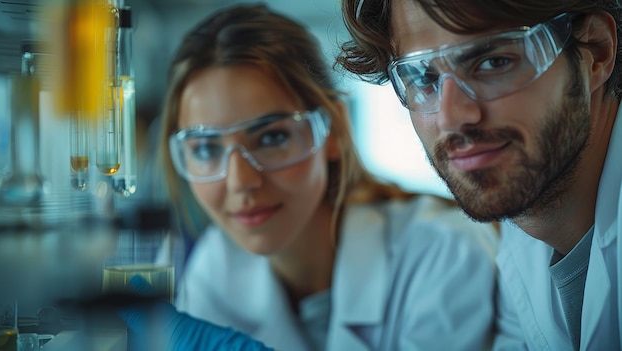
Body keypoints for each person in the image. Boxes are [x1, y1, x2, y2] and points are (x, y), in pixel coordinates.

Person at [123, 3, 500, 351]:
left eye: (272, 137)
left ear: (333, 131)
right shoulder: (217, 267)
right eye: (206, 148)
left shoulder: (441, 252)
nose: (240, 182)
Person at [335, 0, 622, 350]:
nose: (451, 117)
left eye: (493, 62)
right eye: (423, 77)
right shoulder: (524, 234)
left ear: (596, 51)